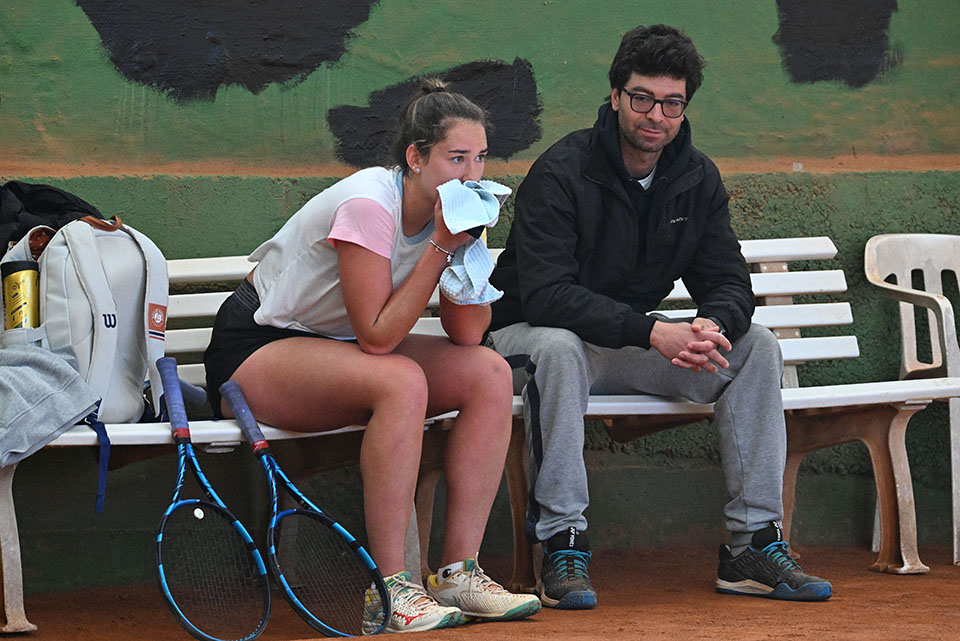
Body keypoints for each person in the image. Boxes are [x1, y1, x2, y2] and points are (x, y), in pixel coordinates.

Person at [487, 24, 833, 608]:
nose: (656, 115)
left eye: (672, 103)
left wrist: (713, 325)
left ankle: (753, 545)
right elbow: (547, 296)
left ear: (684, 107)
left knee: (756, 347)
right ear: (616, 95)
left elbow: (728, 281)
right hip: (524, 342)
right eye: (642, 98)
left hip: (622, 342)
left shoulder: (695, 177)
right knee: (559, 348)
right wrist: (652, 331)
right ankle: (561, 543)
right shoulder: (562, 170)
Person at [204, 79, 541, 633]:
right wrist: (440, 245)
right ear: (416, 158)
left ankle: (457, 573)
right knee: (401, 380)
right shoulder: (367, 204)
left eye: (480, 159)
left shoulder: (455, 215)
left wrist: (466, 250)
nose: (472, 175)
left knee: (488, 372)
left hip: (340, 351)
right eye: (456, 158)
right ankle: (389, 590)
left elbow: (467, 334)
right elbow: (378, 340)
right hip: (259, 349)